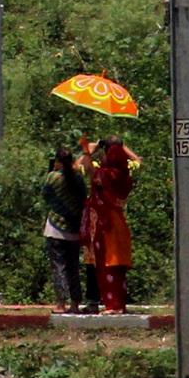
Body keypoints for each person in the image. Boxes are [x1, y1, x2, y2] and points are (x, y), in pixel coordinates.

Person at [80, 134, 141, 314]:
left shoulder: (105, 175)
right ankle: (119, 304)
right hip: (119, 222)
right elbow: (137, 160)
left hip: (106, 225)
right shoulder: (126, 176)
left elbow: (86, 168)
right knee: (118, 267)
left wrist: (88, 150)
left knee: (107, 265)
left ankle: (113, 305)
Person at [42, 147, 86, 313]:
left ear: (58, 161)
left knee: (58, 266)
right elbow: (83, 199)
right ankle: (75, 303)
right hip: (74, 228)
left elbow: (46, 196)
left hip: (55, 227)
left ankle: (61, 303)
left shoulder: (52, 177)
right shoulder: (78, 179)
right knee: (73, 267)